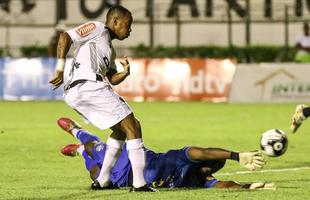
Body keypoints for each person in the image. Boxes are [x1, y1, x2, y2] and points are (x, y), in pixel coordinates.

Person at [48, 5, 153, 192]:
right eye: (127, 24)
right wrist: (59, 68)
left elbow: (112, 78)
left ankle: (103, 180)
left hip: (78, 92)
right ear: (114, 21)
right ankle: (139, 183)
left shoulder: (109, 50)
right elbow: (66, 36)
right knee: (133, 125)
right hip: (87, 85)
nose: (129, 30)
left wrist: (125, 74)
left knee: (121, 131)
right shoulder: (98, 28)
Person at [57, 117, 274, 190]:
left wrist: (247, 187)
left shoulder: (199, 180)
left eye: (215, 167)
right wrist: (235, 156)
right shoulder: (182, 158)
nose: (212, 168)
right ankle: (78, 133)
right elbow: (203, 151)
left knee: (95, 174)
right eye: (214, 163)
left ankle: (77, 153)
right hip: (132, 161)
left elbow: (223, 185)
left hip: (123, 181)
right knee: (93, 148)